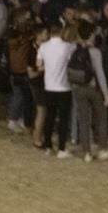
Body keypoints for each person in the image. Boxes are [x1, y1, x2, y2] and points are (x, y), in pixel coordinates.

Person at [69, 21, 108, 161]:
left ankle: (86, 152)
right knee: (101, 117)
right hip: (92, 88)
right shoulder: (95, 52)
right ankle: (102, 148)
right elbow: (100, 74)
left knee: (83, 120)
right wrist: (106, 94)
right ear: (90, 35)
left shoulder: (72, 49)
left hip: (78, 88)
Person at [35, 22, 73, 158]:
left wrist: (46, 68)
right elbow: (69, 62)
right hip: (64, 87)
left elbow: (39, 65)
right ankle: (62, 148)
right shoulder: (67, 47)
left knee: (49, 117)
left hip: (49, 87)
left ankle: (48, 146)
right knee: (63, 119)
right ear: (61, 31)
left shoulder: (43, 47)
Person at [5, 8, 36, 134]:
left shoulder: (16, 36)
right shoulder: (20, 38)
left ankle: (19, 119)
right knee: (19, 96)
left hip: (16, 69)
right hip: (20, 70)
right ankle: (13, 120)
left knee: (22, 96)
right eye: (28, 19)